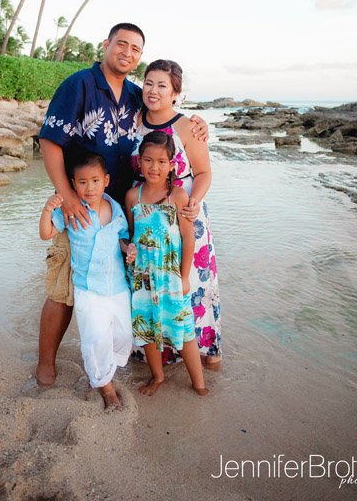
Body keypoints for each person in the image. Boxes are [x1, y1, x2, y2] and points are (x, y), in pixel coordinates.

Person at [36, 23, 208, 386]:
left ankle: (125, 357)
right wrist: (66, 197)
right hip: (81, 206)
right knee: (65, 285)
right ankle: (47, 362)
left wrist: (198, 123)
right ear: (107, 45)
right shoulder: (79, 85)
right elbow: (49, 141)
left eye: (135, 49)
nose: (127, 53)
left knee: (119, 285)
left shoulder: (134, 94)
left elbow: (164, 119)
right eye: (122, 44)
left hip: (124, 213)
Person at [130, 59, 221, 367]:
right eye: (149, 83)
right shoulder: (133, 120)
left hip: (184, 217)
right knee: (154, 287)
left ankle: (203, 355)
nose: (153, 91)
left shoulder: (187, 126)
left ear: (175, 93)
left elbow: (204, 172)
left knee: (189, 286)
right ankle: (158, 358)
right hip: (146, 219)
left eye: (163, 85)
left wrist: (194, 201)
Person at [39, 152, 138, 411]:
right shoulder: (71, 211)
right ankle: (105, 387)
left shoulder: (115, 210)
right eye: (82, 182)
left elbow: (123, 240)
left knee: (123, 335)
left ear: (106, 181)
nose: (89, 187)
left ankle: (105, 371)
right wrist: (48, 209)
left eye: (95, 181)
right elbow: (46, 233)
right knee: (95, 339)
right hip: (88, 290)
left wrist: (129, 250)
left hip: (117, 288)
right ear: (73, 184)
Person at [125, 131, 208, 397]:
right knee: (147, 328)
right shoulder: (132, 197)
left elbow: (188, 238)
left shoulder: (178, 196)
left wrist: (184, 277)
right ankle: (157, 377)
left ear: (172, 164)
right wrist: (129, 248)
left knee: (183, 330)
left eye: (161, 161)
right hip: (142, 276)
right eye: (148, 160)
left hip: (171, 276)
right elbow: (130, 235)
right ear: (139, 161)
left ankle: (199, 383)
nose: (154, 167)